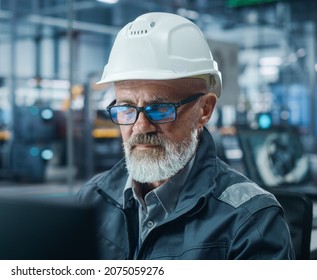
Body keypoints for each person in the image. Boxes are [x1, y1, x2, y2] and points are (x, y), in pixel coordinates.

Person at [76, 12, 294, 260]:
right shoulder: (92, 198)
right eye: (126, 109)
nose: (141, 127)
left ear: (205, 110)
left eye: (159, 109)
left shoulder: (250, 221)